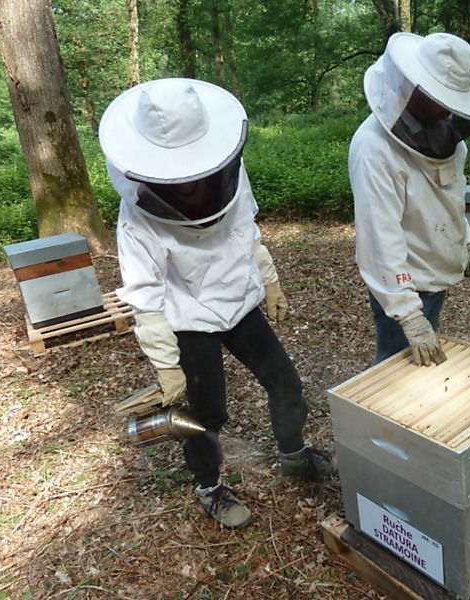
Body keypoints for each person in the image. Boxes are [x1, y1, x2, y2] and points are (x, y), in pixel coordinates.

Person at [99, 78, 333, 530]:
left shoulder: (230, 169)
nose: (193, 185)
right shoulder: (136, 218)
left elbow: (246, 226)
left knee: (284, 381)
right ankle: (209, 485)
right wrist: (167, 365)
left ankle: (294, 454)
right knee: (205, 413)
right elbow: (145, 297)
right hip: (188, 319)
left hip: (239, 301)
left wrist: (270, 281)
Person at [349, 32, 470, 367]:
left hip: (434, 273)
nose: (446, 108)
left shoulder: (448, 136)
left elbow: (451, 196)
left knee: (417, 367)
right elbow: (379, 236)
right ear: (411, 85)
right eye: (438, 97)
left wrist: (465, 242)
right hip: (404, 283)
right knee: (393, 370)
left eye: (450, 100)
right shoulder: (373, 148)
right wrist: (408, 314)